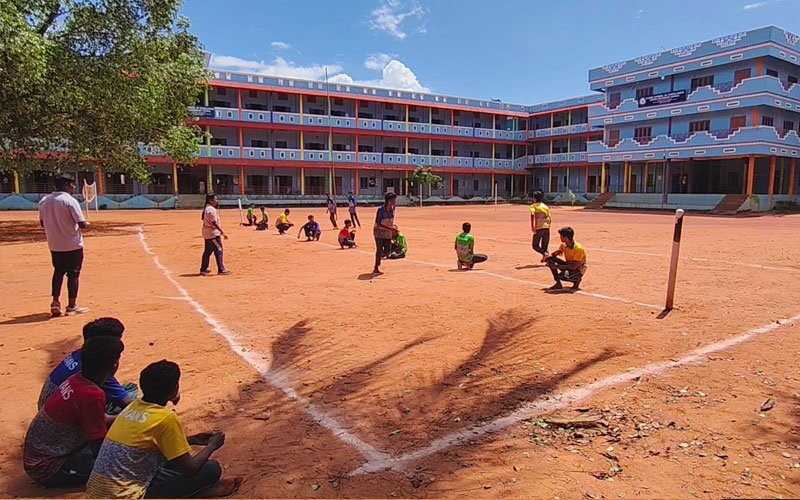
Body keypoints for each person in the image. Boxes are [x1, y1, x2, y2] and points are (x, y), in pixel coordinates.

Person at [86, 360, 242, 499]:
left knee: (165, 460)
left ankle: (194, 491)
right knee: (211, 469)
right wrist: (212, 445)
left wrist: (192, 440)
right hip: (127, 495)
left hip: (97, 491)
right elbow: (189, 469)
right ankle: (197, 492)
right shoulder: (165, 417)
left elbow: (146, 445)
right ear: (174, 390)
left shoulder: (132, 407)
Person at [23, 336, 124, 487]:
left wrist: (122, 419)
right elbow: (98, 447)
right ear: (114, 365)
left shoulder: (76, 379)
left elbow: (98, 419)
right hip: (49, 468)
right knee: (124, 460)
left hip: (40, 458)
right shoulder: (92, 395)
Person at [37, 317, 136, 417]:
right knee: (132, 397)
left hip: (49, 407)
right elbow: (127, 403)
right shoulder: (96, 368)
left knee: (127, 390)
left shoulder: (82, 355)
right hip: (63, 417)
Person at [39, 174, 90, 317]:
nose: (74, 187)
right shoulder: (70, 201)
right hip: (72, 244)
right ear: (66, 185)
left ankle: (55, 302)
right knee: (73, 274)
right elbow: (82, 224)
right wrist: (86, 224)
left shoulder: (44, 201)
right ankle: (72, 306)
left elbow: (42, 223)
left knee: (58, 272)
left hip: (55, 245)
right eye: (72, 185)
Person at [546, 226, 588, 291]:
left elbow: (574, 266)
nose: (560, 237)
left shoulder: (578, 248)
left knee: (563, 276)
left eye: (561, 236)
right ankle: (558, 284)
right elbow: (558, 252)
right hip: (569, 265)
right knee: (550, 259)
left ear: (565, 238)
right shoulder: (564, 245)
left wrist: (557, 266)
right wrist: (551, 257)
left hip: (578, 269)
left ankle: (577, 280)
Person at [200, 194, 231, 276]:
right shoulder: (211, 210)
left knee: (208, 251)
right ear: (211, 201)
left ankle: (203, 269)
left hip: (207, 232)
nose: (217, 201)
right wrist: (222, 232)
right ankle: (221, 269)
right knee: (219, 250)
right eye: (215, 199)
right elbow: (214, 223)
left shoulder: (207, 208)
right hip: (212, 233)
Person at [373, 192, 399, 274]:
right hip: (379, 231)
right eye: (394, 200)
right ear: (389, 201)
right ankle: (376, 266)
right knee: (379, 248)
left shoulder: (393, 209)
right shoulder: (381, 210)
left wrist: (393, 228)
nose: (395, 201)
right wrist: (390, 228)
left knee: (388, 251)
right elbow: (378, 223)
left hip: (388, 232)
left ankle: (380, 256)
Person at [530, 190, 552, 263]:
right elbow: (549, 217)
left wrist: (533, 226)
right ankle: (547, 260)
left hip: (539, 227)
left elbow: (532, 215)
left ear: (534, 198)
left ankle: (544, 254)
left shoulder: (533, 206)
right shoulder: (545, 206)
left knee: (535, 245)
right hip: (547, 227)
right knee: (545, 246)